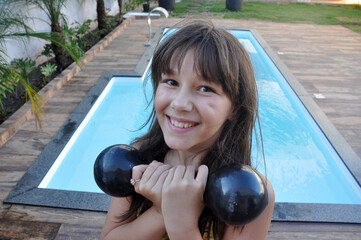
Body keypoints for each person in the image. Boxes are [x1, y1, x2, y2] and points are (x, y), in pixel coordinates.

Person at [101, 20, 275, 240]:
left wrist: (182, 225)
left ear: (235, 107)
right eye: (171, 82)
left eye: (205, 88)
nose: (180, 103)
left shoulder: (247, 191)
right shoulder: (136, 162)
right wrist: (160, 212)